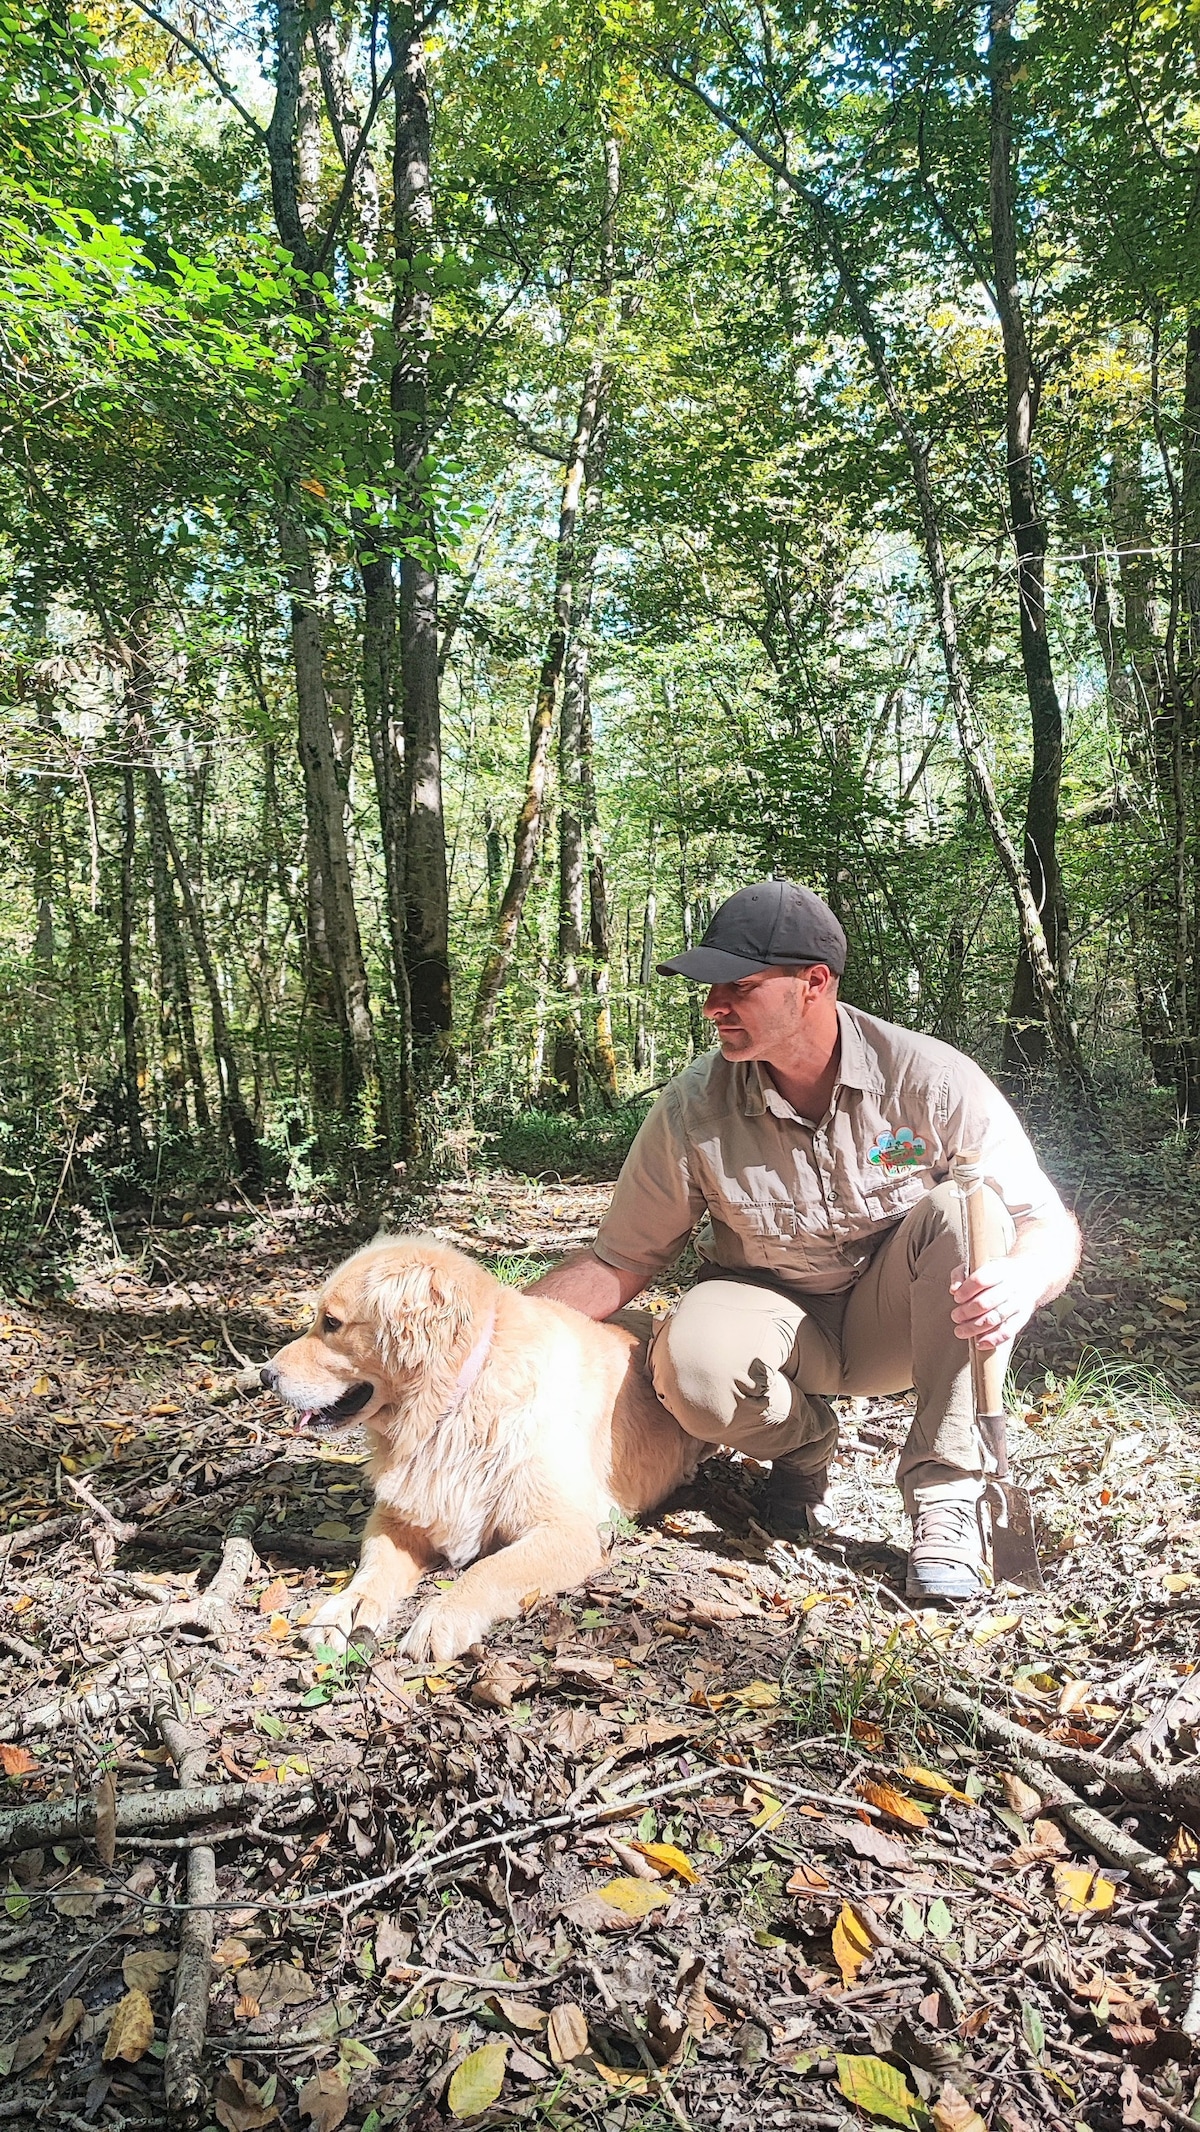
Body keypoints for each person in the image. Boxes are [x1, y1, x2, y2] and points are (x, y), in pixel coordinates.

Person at [527, 879, 1080, 1599]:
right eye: (709, 987)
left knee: (966, 1213)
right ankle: (808, 1445)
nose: (713, 1006)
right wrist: (495, 1331)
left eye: (739, 986)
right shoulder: (695, 1108)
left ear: (813, 984)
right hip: (774, 1323)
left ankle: (947, 1493)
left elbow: (1046, 1223)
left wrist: (1023, 1279)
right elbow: (620, 1259)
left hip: (900, 1325)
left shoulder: (932, 1083)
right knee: (691, 1366)